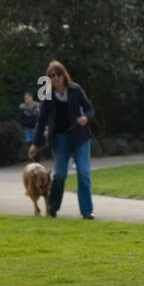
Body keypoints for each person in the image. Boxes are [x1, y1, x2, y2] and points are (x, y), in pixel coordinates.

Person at [28, 60, 95, 219]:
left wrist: (86, 117)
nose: (56, 78)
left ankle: (87, 211)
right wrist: (35, 144)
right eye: (52, 75)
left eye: (58, 74)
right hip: (59, 139)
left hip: (80, 137)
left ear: (64, 75)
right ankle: (53, 207)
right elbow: (41, 121)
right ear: (49, 78)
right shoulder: (48, 96)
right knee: (59, 175)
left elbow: (89, 108)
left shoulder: (75, 90)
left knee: (84, 173)